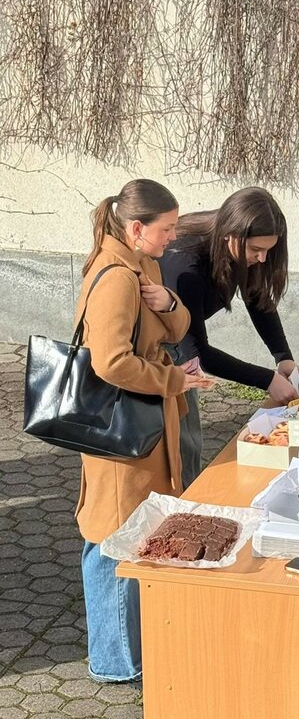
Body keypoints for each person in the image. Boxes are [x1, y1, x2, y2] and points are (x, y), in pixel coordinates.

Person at [75, 179, 203, 683]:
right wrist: (173, 380)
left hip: (143, 426)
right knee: (111, 539)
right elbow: (109, 362)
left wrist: (169, 304)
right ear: (136, 228)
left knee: (138, 533)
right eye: (167, 229)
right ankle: (114, 663)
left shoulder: (141, 265)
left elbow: (175, 329)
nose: (173, 237)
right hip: (120, 431)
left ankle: (133, 648)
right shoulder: (115, 278)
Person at [159, 187, 298, 488]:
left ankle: (184, 505)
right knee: (178, 449)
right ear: (231, 236)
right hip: (154, 356)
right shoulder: (184, 264)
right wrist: (267, 380)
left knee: (188, 445)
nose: (262, 259)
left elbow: (258, 299)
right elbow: (198, 354)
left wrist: (282, 356)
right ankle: (178, 514)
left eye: (268, 251)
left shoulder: (235, 246)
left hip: (180, 351)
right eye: (256, 250)